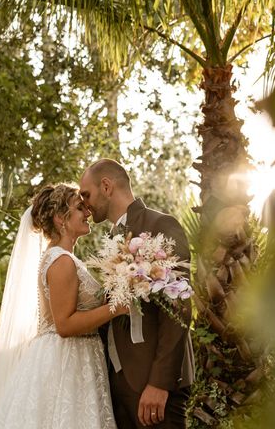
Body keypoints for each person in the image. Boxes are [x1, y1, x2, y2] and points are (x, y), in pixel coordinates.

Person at [0, 183, 126, 429]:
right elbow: (65, 325)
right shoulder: (62, 261)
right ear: (60, 219)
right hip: (66, 359)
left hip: (74, 356)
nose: (88, 212)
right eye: (80, 208)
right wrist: (116, 309)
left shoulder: (61, 257)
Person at [79, 159, 195, 428]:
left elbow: (178, 308)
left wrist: (159, 382)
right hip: (120, 385)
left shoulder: (161, 225)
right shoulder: (112, 237)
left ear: (106, 186)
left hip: (153, 386)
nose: (84, 203)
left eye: (87, 194)